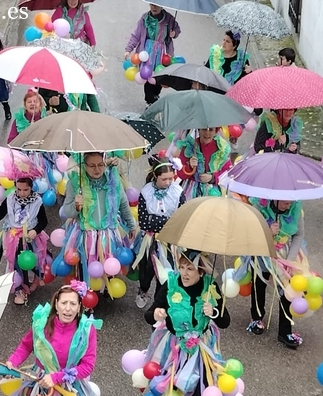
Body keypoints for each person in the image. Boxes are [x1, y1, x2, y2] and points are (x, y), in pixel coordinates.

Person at [143, 251, 230, 396]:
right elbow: (149, 314)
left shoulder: (210, 287)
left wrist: (214, 312)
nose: (184, 273)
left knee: (202, 389)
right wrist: (155, 313)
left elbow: (226, 321)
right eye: (182, 267)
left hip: (201, 347)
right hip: (174, 345)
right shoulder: (171, 283)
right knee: (169, 384)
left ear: (201, 270)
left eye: (190, 268)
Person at [57, 152, 137, 290]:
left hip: (109, 232)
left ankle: (106, 288)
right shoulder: (75, 183)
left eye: (100, 165)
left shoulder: (113, 180)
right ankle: (86, 297)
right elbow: (68, 211)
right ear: (84, 165)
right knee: (86, 266)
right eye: (92, 165)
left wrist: (131, 225)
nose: (97, 169)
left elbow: (123, 203)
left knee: (109, 263)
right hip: (85, 235)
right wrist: (76, 206)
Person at [245, 198, 306, 349]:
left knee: (287, 290)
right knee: (259, 283)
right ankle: (256, 317)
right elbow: (250, 234)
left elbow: (298, 235)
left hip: (285, 255)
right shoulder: (259, 207)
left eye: (291, 201)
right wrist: (268, 232)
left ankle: (285, 331)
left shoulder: (296, 208)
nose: (289, 204)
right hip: (262, 252)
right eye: (285, 202)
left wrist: (289, 261)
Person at [133, 158, 186, 309]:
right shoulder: (146, 192)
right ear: (156, 176)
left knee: (165, 273)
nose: (169, 182)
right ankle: (143, 289)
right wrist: (167, 221)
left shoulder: (178, 192)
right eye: (164, 179)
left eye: (171, 178)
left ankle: (158, 303)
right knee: (147, 270)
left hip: (170, 240)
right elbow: (144, 222)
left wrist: (156, 220)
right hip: (150, 239)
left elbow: (181, 217)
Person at [0, 177, 49, 305]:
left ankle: (33, 279)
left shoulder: (37, 201)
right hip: (14, 238)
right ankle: (19, 289)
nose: (22, 193)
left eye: (26, 190)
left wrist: (35, 230)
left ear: (31, 188)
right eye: (19, 189)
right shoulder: (10, 199)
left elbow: (43, 221)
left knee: (34, 260)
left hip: (30, 236)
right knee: (15, 262)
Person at [125, 4, 181, 105]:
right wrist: (128, 49)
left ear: (162, 6)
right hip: (147, 52)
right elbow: (136, 35)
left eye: (156, 5)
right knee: (147, 76)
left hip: (162, 52)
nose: (153, 7)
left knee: (160, 75)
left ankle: (155, 94)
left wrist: (174, 33)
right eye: (151, 5)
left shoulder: (169, 19)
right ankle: (149, 100)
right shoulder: (144, 18)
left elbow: (177, 29)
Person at [175, 127, 232, 199]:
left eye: (211, 130)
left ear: (215, 131)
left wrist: (212, 178)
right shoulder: (189, 147)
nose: (207, 133)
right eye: (204, 129)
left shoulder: (222, 148)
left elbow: (228, 173)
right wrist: (189, 166)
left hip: (215, 192)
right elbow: (180, 174)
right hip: (192, 193)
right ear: (199, 130)